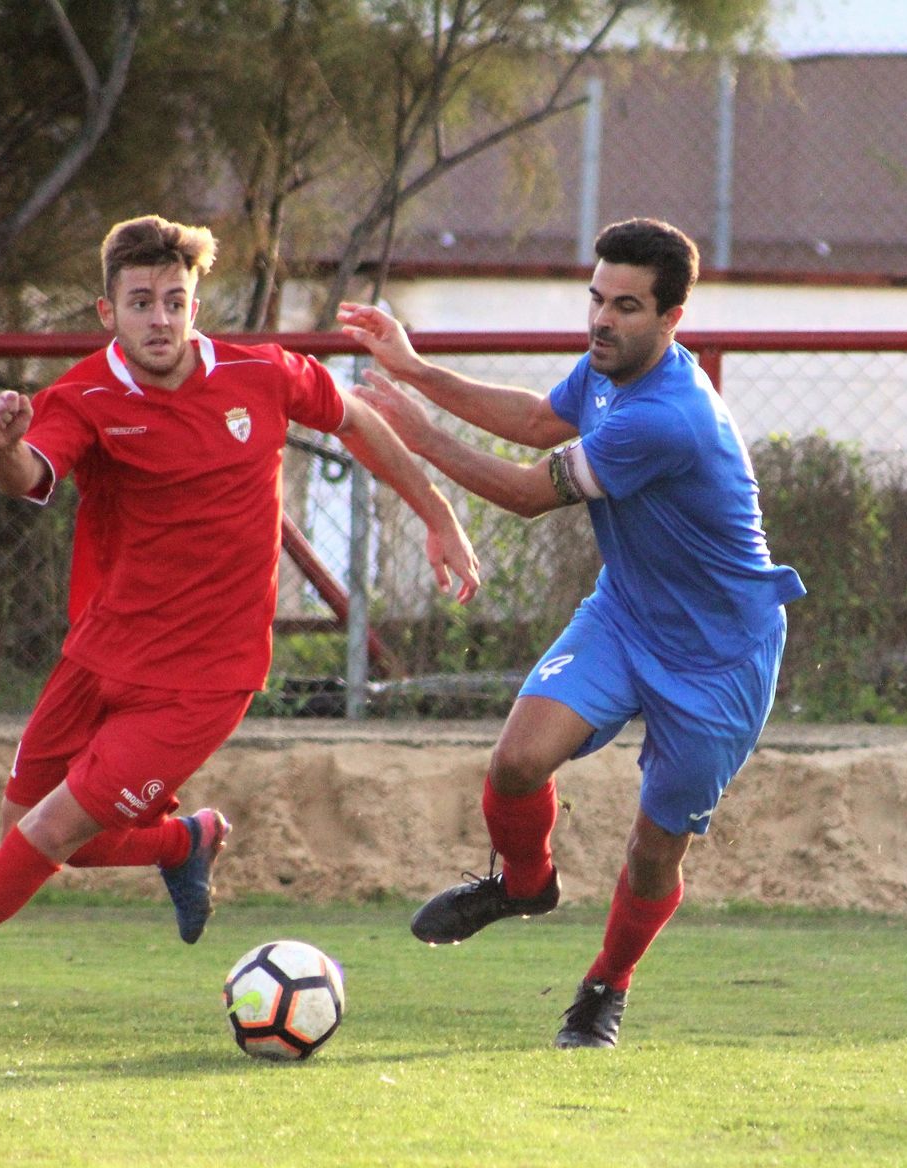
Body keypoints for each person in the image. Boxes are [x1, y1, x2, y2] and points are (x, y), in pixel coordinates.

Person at [0, 214, 480, 1021]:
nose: (160, 318)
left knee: (42, 840)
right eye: (141, 302)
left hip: (199, 682)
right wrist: (1, 446)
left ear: (196, 304)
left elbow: (357, 420)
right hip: (96, 656)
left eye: (175, 300)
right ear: (107, 312)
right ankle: (183, 840)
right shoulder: (84, 395)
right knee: (37, 832)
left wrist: (437, 511)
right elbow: (27, 475)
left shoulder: (260, 375)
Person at [338, 217, 804, 1050]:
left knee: (655, 851)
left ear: (671, 320)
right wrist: (412, 369)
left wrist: (417, 429)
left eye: (626, 306)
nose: (601, 319)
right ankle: (525, 885)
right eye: (596, 298)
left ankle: (604, 988)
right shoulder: (605, 373)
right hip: (626, 614)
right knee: (517, 762)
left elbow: (523, 491)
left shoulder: (668, 417)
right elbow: (533, 419)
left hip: (719, 658)